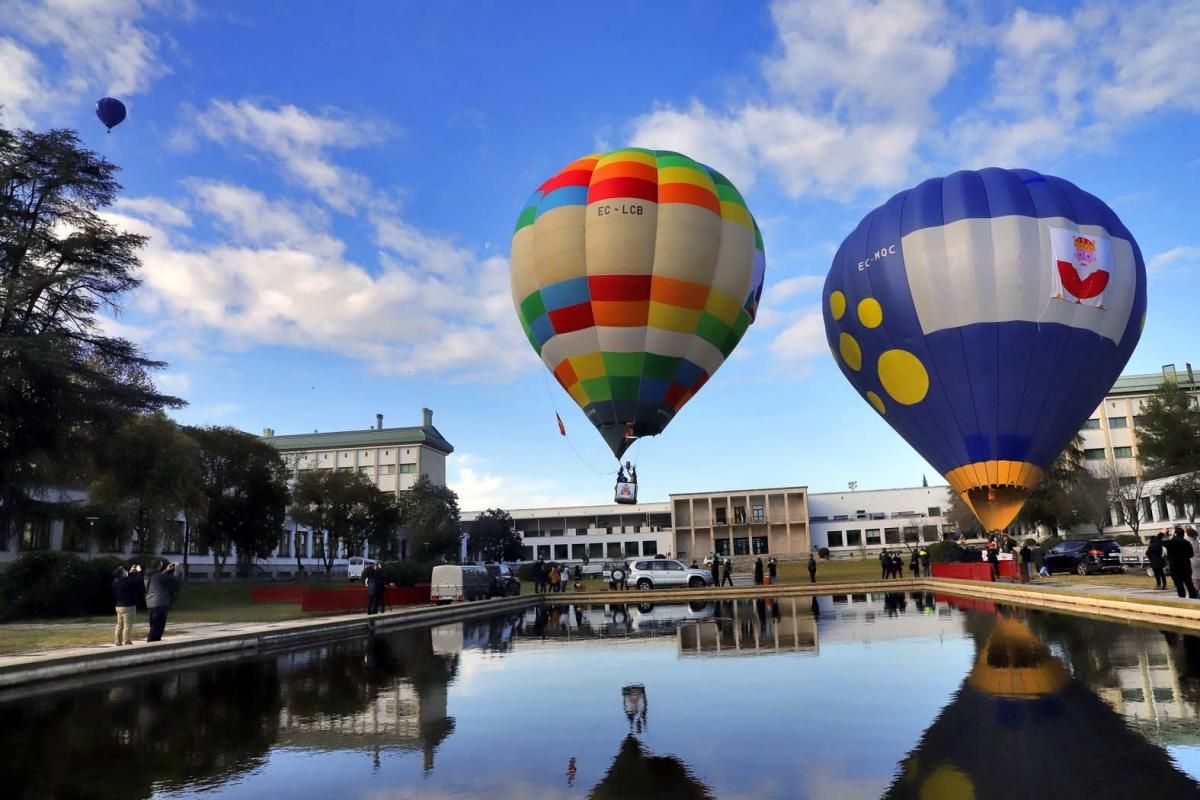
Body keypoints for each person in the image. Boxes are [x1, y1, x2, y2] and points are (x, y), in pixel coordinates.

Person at [144, 562, 179, 642]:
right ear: (159, 567)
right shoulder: (159, 576)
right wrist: (176, 570)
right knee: (159, 625)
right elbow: (175, 580)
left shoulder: (148, 576)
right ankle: (152, 642)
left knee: (153, 624)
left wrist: (166, 570)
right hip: (160, 603)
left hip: (150, 603)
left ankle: (152, 641)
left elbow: (158, 577)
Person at [112, 564, 142, 646]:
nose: (126, 571)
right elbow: (138, 580)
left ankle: (117, 641)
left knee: (119, 625)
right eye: (125, 571)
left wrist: (130, 572)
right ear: (123, 574)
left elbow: (128, 580)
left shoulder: (115, 582)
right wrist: (139, 571)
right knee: (128, 625)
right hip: (128, 606)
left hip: (118, 606)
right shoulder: (127, 581)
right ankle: (127, 641)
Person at [1164, 527, 1198, 599]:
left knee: (1180, 584)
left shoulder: (1173, 542)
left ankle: (1183, 597)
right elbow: (1191, 554)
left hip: (1177, 565)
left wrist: (1162, 533)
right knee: (1190, 583)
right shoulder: (1192, 542)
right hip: (1189, 564)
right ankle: (1194, 595)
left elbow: (1159, 541)